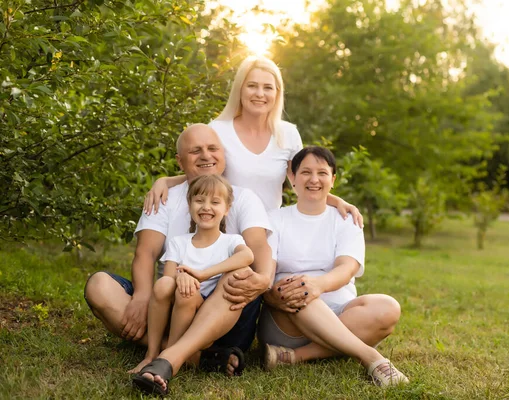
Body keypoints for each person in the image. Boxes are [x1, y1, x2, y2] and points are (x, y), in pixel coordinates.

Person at [84, 123, 274, 380]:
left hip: (224, 313)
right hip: (170, 304)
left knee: (239, 273)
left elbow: (256, 250)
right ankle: (200, 357)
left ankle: (168, 356)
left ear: (223, 155)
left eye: (212, 149)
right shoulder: (165, 197)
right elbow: (145, 254)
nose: (206, 156)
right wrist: (141, 296)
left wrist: (262, 279)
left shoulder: (242, 197)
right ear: (180, 160)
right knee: (99, 286)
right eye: (196, 151)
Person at [144, 55, 363, 225]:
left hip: (270, 234)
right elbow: (200, 174)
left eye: (268, 87)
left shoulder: (288, 134)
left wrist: (339, 202)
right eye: (252, 86)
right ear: (240, 89)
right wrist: (165, 181)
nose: (260, 93)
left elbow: (304, 184)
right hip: (225, 232)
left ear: (277, 93)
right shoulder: (218, 130)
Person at [258, 146, 409, 387]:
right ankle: (370, 356)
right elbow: (266, 270)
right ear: (293, 178)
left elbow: (347, 268)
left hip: (342, 314)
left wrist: (318, 285)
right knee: (299, 289)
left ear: (333, 179)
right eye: (306, 172)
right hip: (287, 319)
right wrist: (274, 293)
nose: (314, 179)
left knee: (388, 307)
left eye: (322, 173)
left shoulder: (347, 220)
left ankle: (295, 357)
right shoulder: (274, 220)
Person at [130, 174, 253, 378]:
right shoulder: (179, 242)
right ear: (190, 205)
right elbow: (168, 279)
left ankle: (169, 358)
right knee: (164, 286)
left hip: (207, 316)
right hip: (178, 306)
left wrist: (202, 274)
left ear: (227, 209)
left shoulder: (231, 241)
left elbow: (247, 256)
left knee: (188, 291)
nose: (206, 207)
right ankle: (151, 355)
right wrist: (182, 277)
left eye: (215, 202)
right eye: (199, 200)